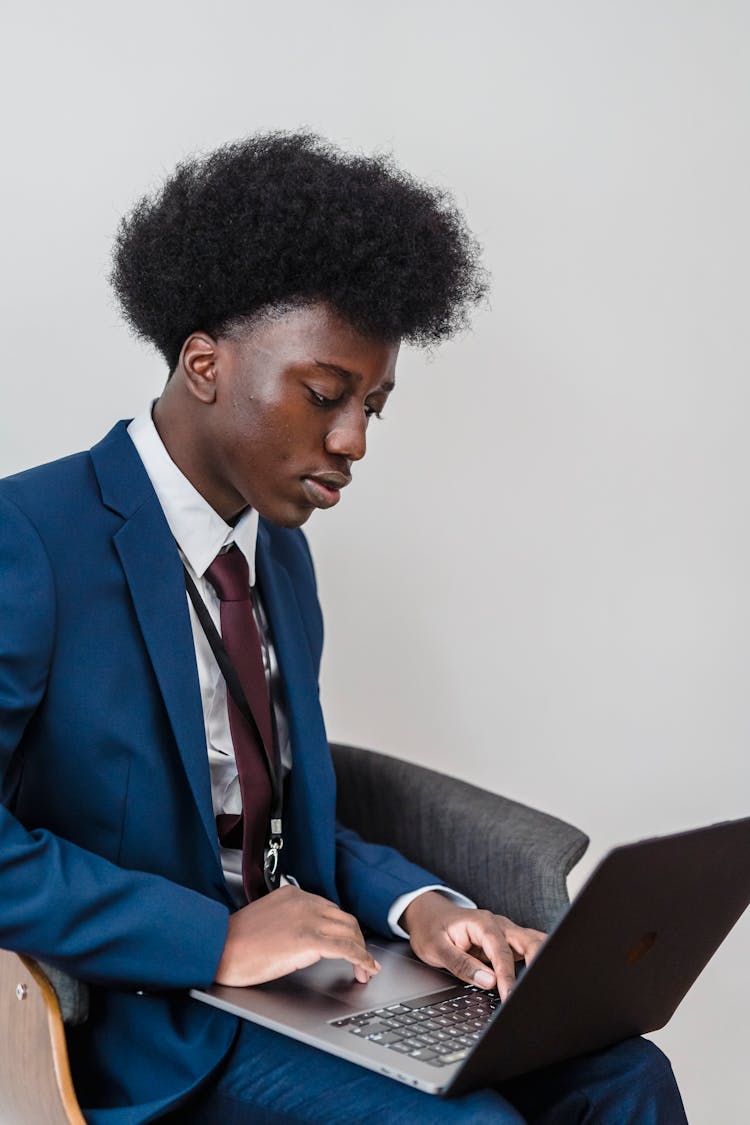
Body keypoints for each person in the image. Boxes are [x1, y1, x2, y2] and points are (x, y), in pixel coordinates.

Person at [0, 132, 686, 1124]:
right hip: (152, 1019)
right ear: (204, 363)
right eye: (325, 396)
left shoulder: (278, 549)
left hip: (319, 983)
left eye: (373, 404)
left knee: (629, 1075)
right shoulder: (30, 539)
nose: (354, 441)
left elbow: (289, 817)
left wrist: (427, 910)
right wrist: (214, 941)